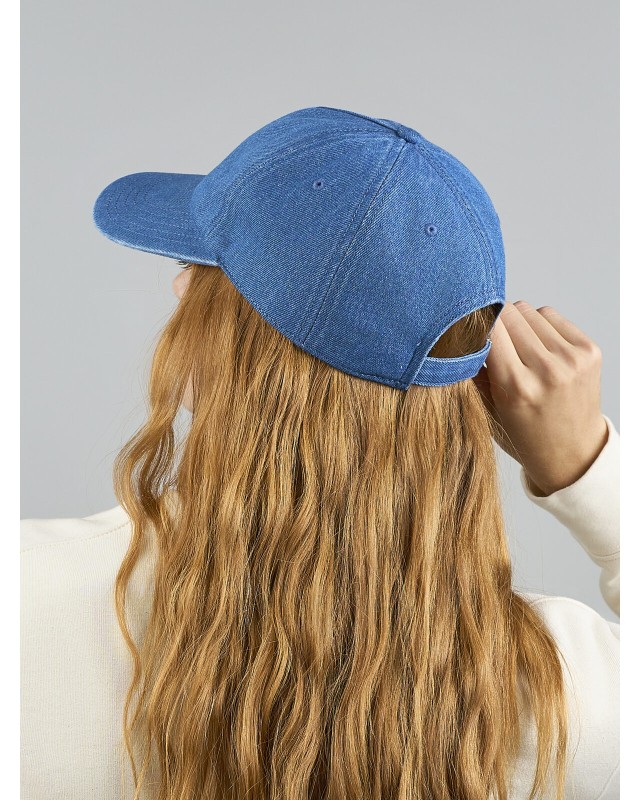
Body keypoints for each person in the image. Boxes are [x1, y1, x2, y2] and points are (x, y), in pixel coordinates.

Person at [21, 107, 619, 800]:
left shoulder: (25, 596)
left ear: (205, 349)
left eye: (194, 268)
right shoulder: (565, 688)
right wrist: (587, 469)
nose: (180, 286)